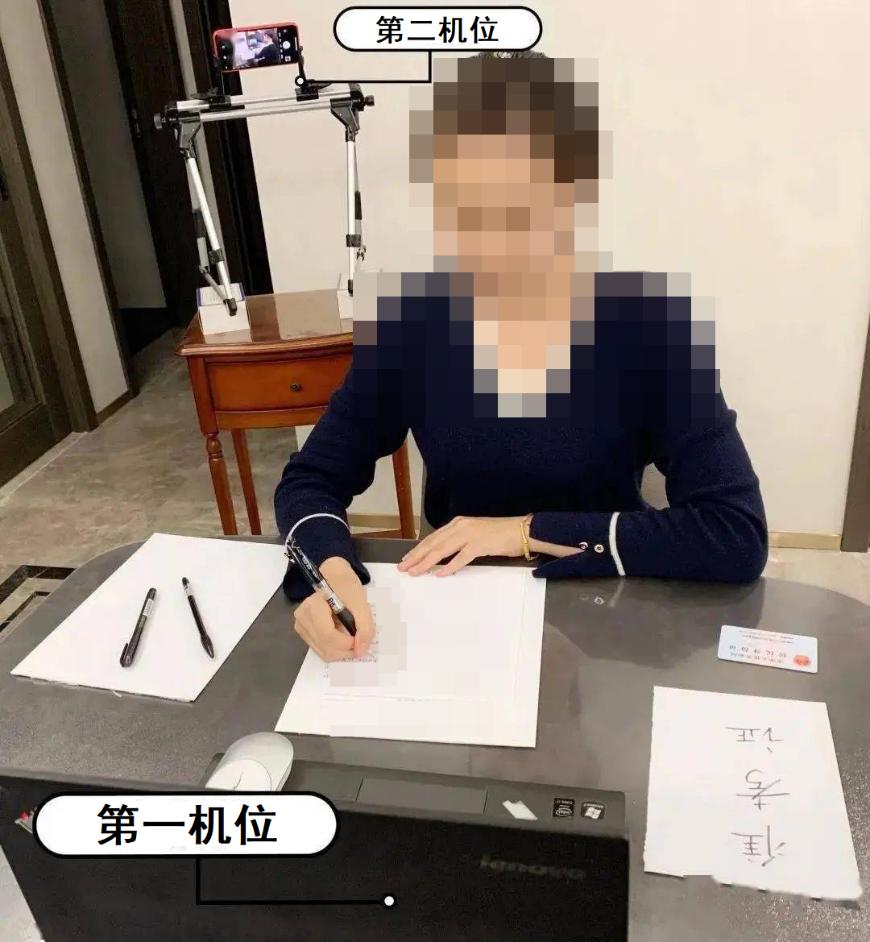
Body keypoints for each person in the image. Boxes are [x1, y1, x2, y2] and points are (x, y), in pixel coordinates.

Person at [274, 52, 768, 663]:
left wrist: (522, 532)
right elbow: (312, 478)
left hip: (605, 613)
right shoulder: (412, 324)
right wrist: (329, 573)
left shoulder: (650, 329)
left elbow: (735, 533)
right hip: (459, 615)